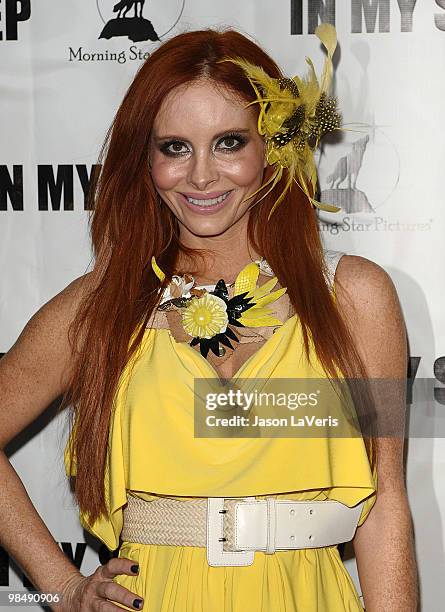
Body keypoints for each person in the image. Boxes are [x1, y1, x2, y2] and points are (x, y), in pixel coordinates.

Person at [0, 24, 418, 612]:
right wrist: (62, 585)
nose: (201, 176)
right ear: (143, 158)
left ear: (272, 145)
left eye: (228, 143)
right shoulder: (104, 303)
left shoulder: (356, 296)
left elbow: (386, 507)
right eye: (174, 147)